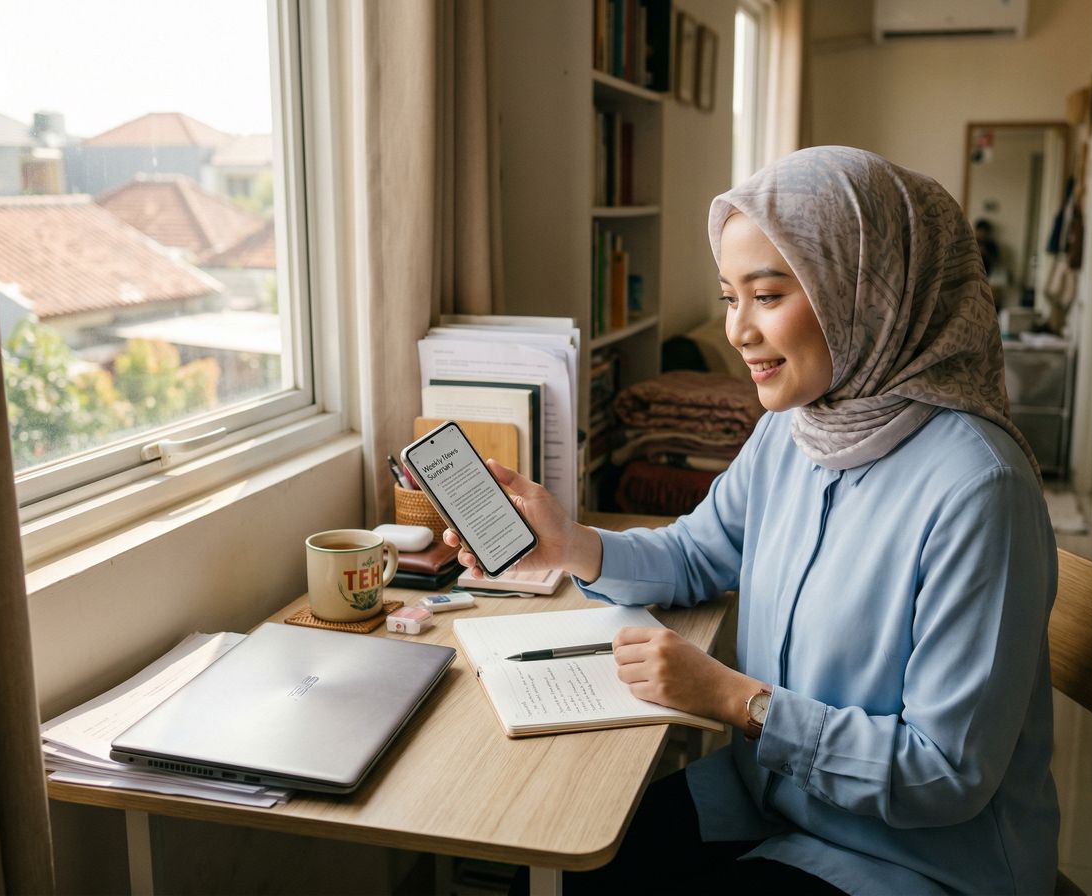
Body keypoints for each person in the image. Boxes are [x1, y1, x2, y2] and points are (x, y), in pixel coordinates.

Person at [446, 146, 1059, 895]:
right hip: (772, 799)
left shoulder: (978, 488)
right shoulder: (797, 427)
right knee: (558, 853)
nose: (738, 330)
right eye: (729, 296)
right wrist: (570, 546)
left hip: (907, 862)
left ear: (865, 292)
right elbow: (700, 553)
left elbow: (945, 774)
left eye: (766, 295)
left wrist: (738, 700)